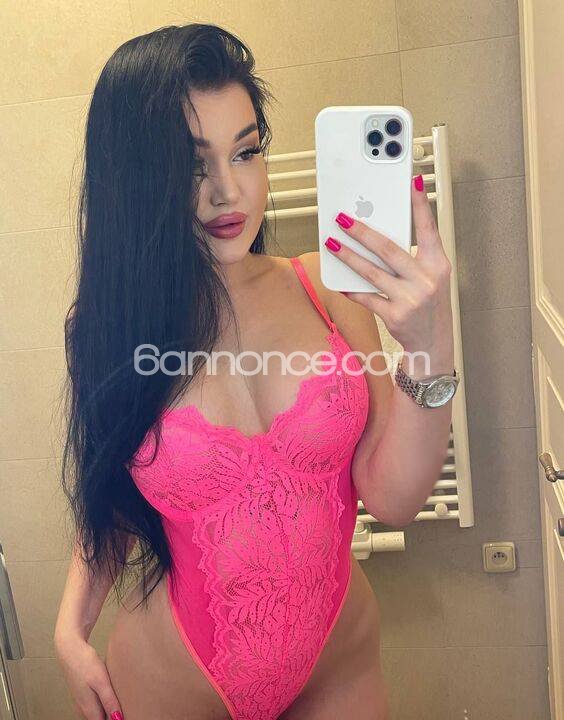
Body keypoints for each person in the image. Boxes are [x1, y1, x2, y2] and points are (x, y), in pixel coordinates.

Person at [53, 22, 455, 720]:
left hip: (338, 668)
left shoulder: (327, 290)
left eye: (246, 151)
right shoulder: (106, 328)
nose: (228, 191)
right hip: (173, 687)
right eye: (190, 165)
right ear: (135, 179)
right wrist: (69, 627)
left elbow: (393, 500)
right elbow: (106, 499)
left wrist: (429, 348)